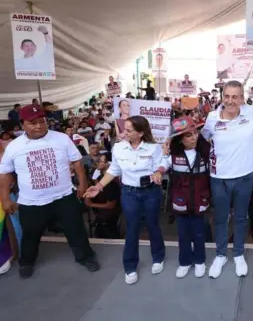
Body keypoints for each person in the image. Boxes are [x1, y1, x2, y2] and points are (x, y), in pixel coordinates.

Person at [0, 105, 99, 279]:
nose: (38, 126)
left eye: (42, 121)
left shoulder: (61, 139)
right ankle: (27, 262)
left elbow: (77, 162)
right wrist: (5, 198)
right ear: (23, 124)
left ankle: (85, 257)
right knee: (30, 234)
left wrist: (82, 184)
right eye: (32, 123)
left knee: (75, 229)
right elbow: (6, 173)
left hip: (64, 196)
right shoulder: (14, 146)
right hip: (31, 202)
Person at [83, 116, 165, 285]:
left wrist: (158, 173)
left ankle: (158, 257)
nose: (123, 133)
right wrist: (98, 186)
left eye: (128, 130)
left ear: (141, 133)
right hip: (129, 193)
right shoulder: (118, 148)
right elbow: (114, 170)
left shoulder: (153, 148)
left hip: (150, 192)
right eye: (123, 129)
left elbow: (160, 165)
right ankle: (130, 266)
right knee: (132, 228)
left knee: (152, 225)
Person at [200, 80, 253, 279]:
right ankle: (220, 255)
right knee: (220, 218)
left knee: (241, 217)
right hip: (219, 178)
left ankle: (238, 254)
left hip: (245, 177)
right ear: (222, 96)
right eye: (227, 96)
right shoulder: (211, 118)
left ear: (242, 98)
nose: (230, 100)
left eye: (235, 97)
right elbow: (201, 138)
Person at [159, 117, 210, 279]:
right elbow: (163, 165)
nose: (194, 137)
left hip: (199, 201)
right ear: (180, 140)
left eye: (195, 133)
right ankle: (185, 262)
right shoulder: (172, 155)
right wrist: (158, 172)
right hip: (181, 202)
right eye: (188, 135)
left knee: (199, 233)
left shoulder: (205, 153)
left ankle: (200, 261)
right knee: (183, 234)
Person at [85, 154, 121, 239]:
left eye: (100, 161)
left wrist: (91, 204)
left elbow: (111, 205)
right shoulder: (101, 177)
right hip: (102, 219)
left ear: (108, 164)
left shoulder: (111, 183)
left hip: (108, 220)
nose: (97, 163)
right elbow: (96, 183)